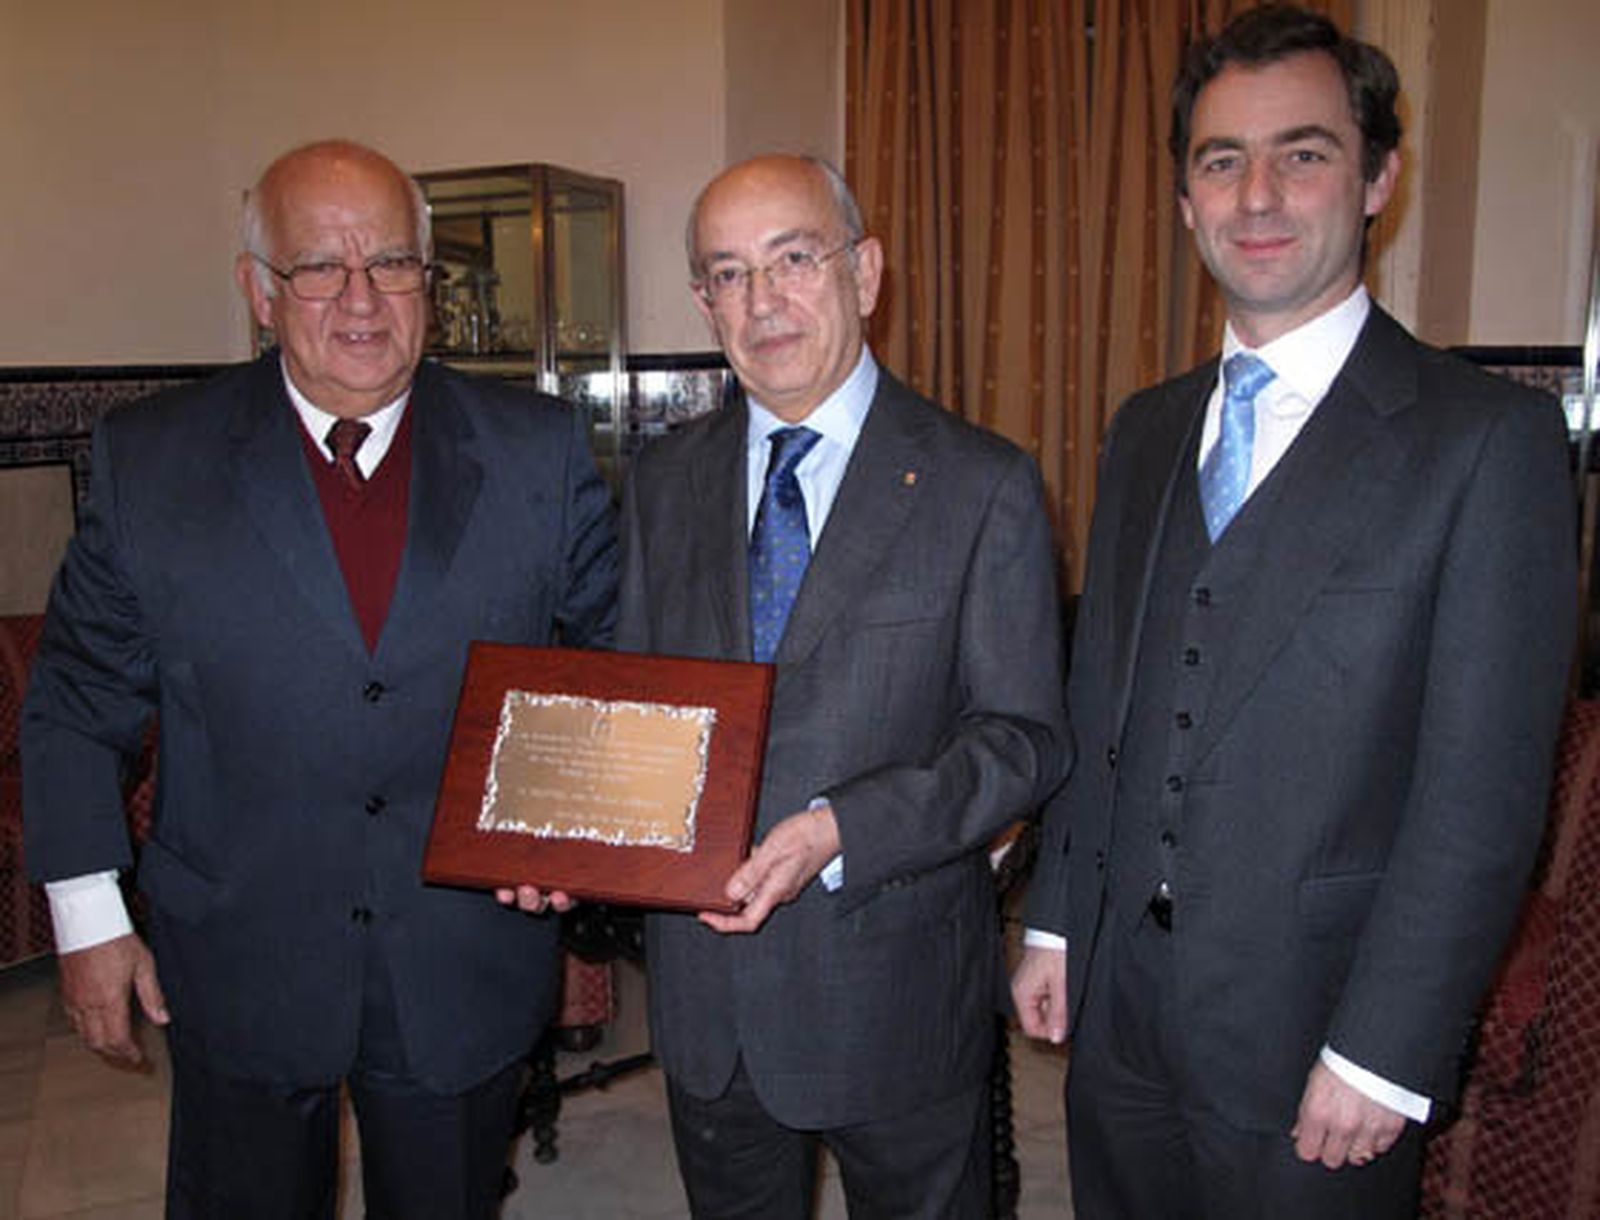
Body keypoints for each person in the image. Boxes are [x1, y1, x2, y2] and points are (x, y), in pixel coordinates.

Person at [1012, 7, 1577, 1217]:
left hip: (1321, 1032)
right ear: (1183, 199)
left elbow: (1481, 796)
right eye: (1220, 160)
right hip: (1121, 1010)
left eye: (1303, 152)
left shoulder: (1485, 442)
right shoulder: (1144, 426)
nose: (1256, 193)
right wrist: (1058, 920)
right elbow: (1101, 694)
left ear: (1377, 177)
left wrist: (1385, 1044)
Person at [22, 139, 618, 1219]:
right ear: (259, 289)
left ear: (431, 286)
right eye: (319, 267)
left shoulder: (538, 450)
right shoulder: (151, 461)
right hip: (239, 951)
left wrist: (567, 832)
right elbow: (74, 696)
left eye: (392, 263)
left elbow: (605, 669)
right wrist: (87, 913)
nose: (361, 299)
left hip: (462, 954)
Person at [618, 153, 1069, 1216]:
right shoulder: (663, 478)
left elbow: (1023, 738)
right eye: (728, 274)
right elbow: (635, 712)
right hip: (707, 1000)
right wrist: (561, 831)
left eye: (792, 260)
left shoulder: (980, 481)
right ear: (701, 302)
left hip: (895, 989)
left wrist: (839, 827)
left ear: (864, 273)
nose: (761, 300)